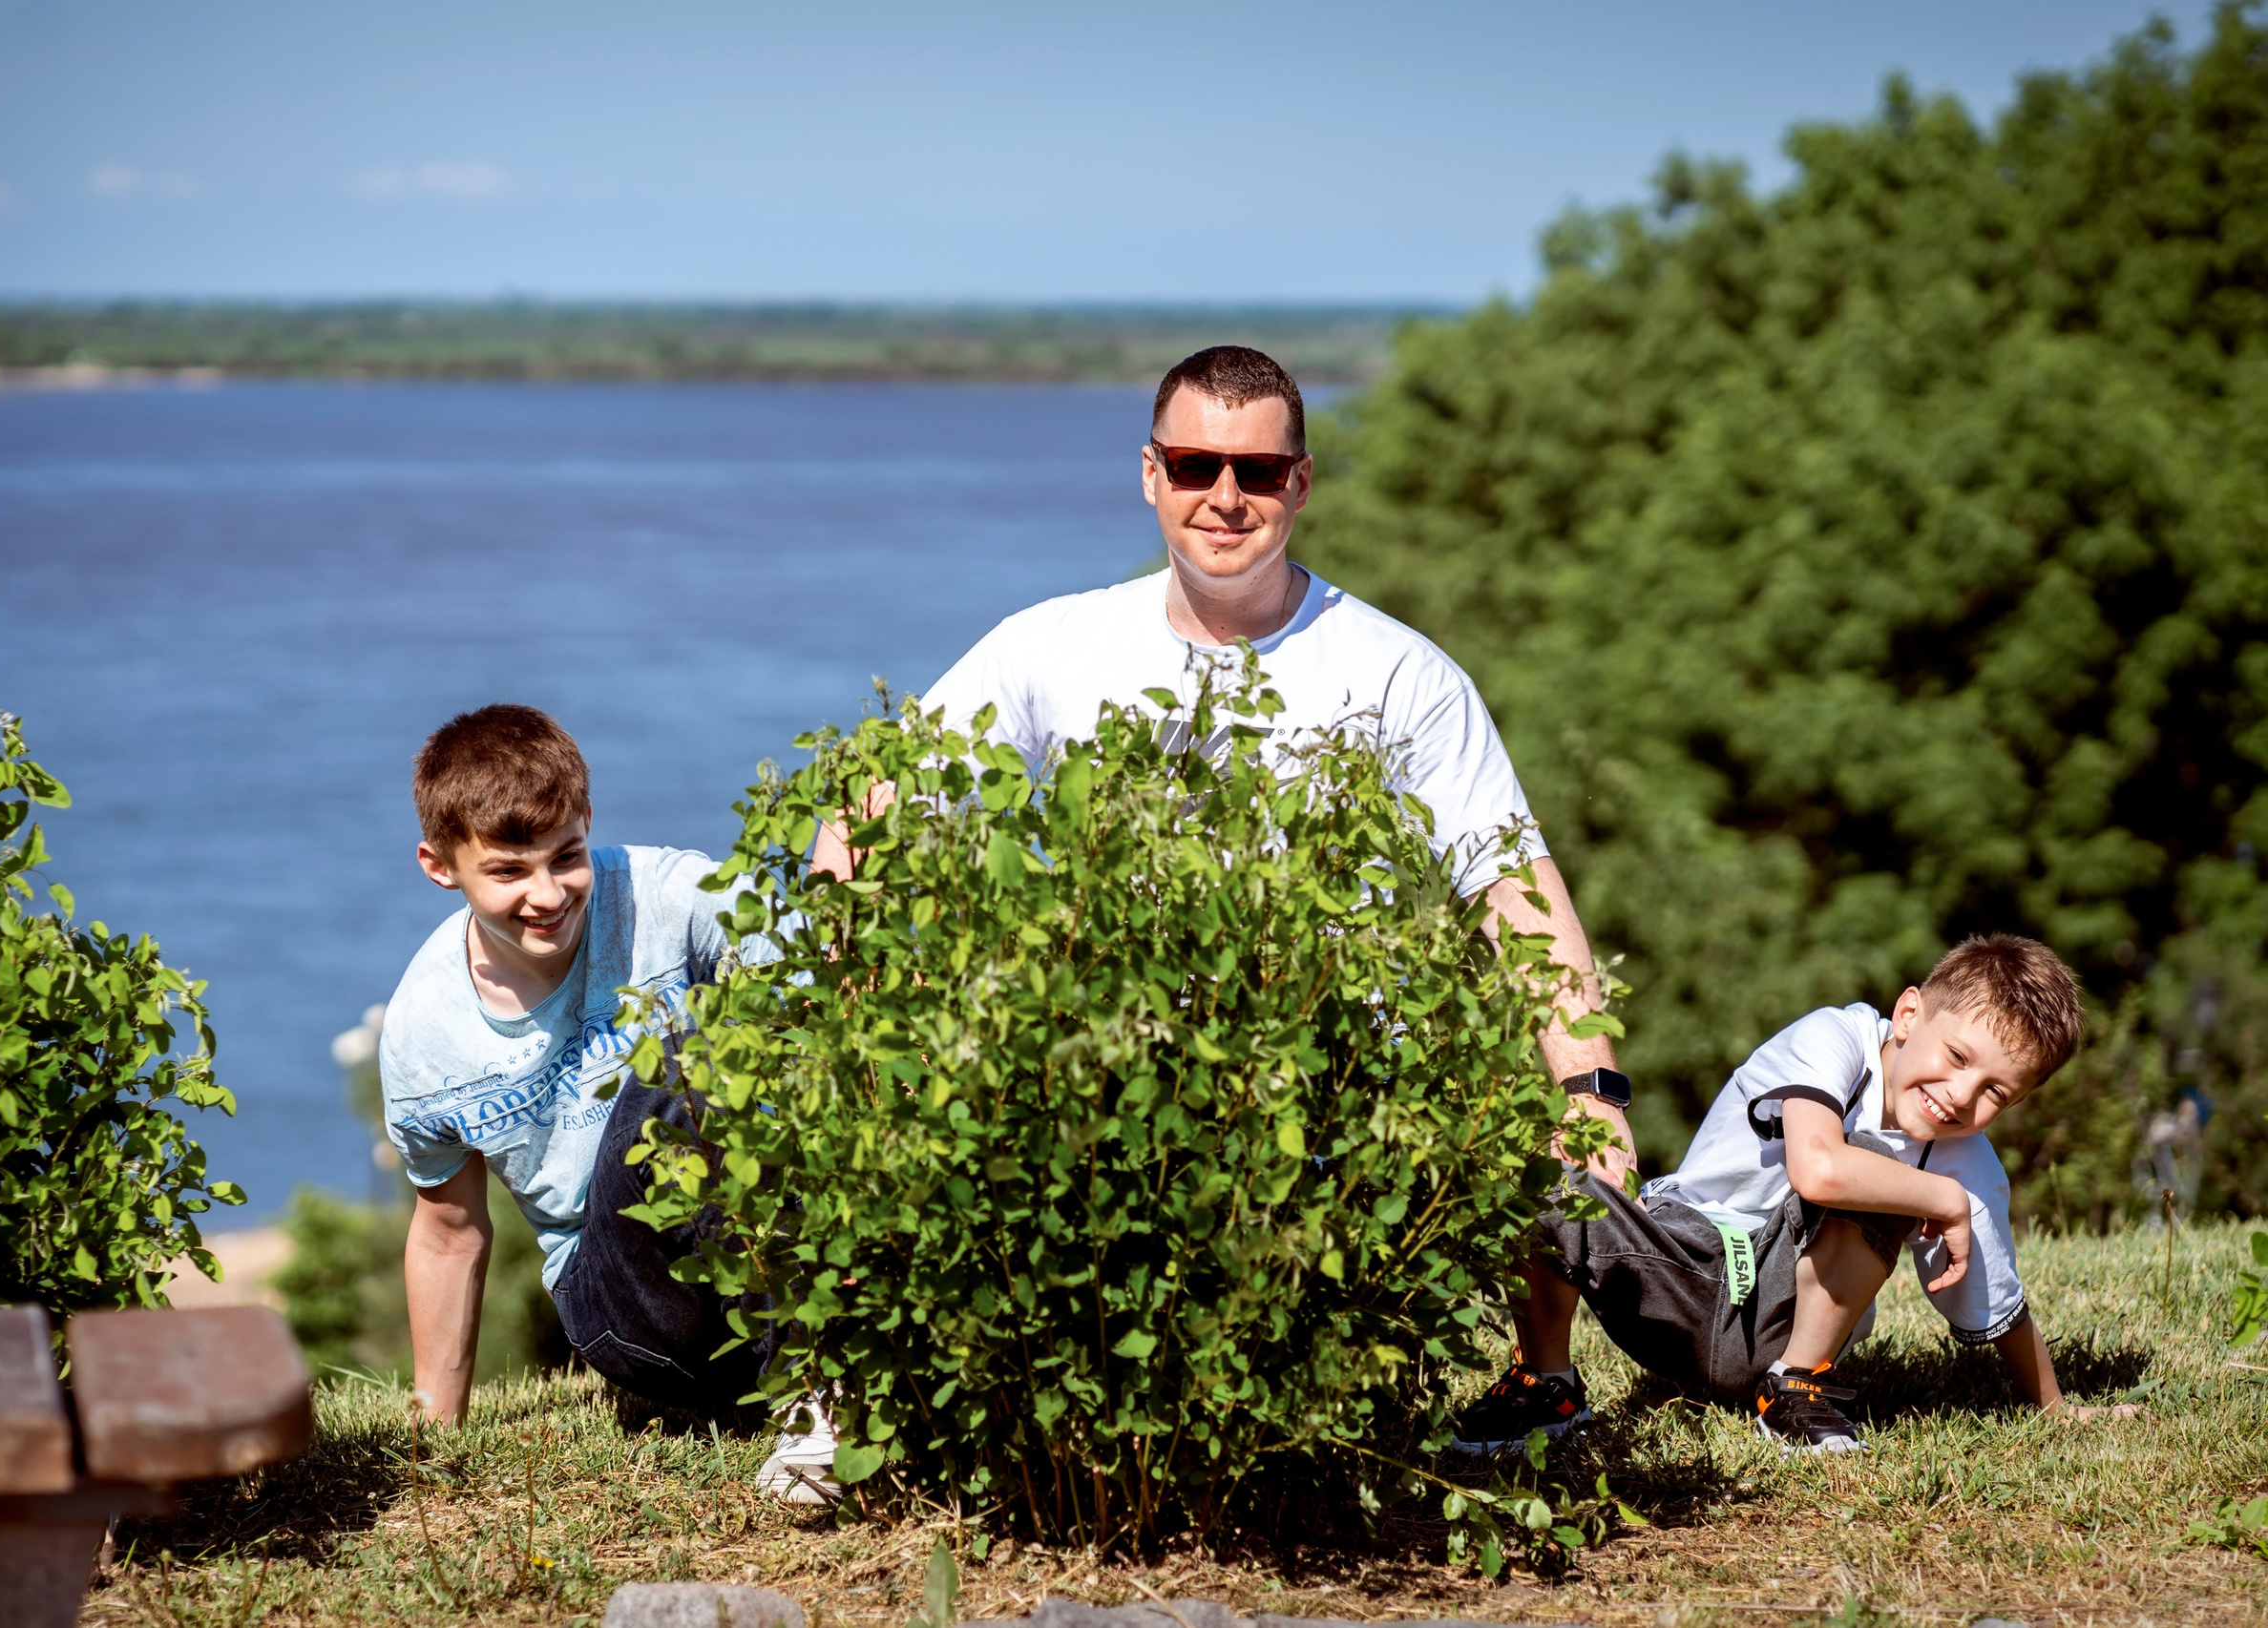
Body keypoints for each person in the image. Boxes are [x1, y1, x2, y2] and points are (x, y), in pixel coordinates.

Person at [789, 344, 1637, 1490]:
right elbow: (866, 810)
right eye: (1195, 464)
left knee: (1287, 1445)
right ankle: (844, 1399)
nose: (1223, 496)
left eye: (1255, 468)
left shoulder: (1400, 673)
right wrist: (852, 999)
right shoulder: (1057, 643)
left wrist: (1591, 1091)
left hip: (1333, 1111)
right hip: (1105, 1090)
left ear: (1299, 482)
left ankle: (1536, 1380)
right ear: (1150, 474)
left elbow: (1512, 885)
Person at [1450, 933, 2133, 1456]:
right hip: (1681, 1266)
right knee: (1541, 1171)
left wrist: (2055, 1408)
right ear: (1907, 1014)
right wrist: (1939, 1200)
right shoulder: (1833, 1037)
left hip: (1776, 1322)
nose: (1961, 1096)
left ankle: (1796, 1386)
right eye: (1957, 1059)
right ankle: (1547, 1384)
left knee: (1878, 1167)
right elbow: (1817, 1169)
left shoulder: (1965, 1166)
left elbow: (1999, 1305)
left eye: (1996, 1093)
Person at [377, 704, 774, 1431]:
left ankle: (831, 1353)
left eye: (566, 856)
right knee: (685, 1063)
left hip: (758, 1247)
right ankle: (820, 1393)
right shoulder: (422, 1033)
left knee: (748, 1029)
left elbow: (829, 989)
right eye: (507, 872)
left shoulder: (675, 896)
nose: (548, 895)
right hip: (631, 1313)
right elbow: (450, 1233)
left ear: (587, 819)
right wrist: (432, 1437)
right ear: (440, 867)